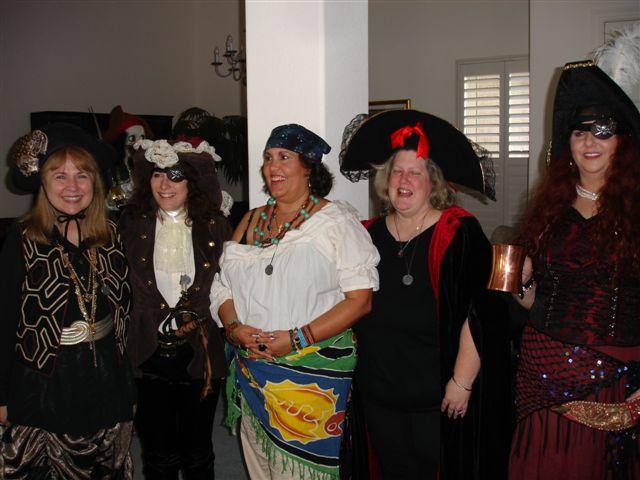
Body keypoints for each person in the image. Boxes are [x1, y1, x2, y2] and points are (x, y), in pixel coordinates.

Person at [339, 110, 512, 479]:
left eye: (415, 172)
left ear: (433, 183)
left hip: (438, 398)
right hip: (379, 393)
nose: (404, 179)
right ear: (385, 180)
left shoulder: (458, 233)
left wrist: (462, 382)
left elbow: (483, 313)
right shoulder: (365, 235)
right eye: (397, 171)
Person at [211, 124, 379, 480]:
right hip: (254, 371)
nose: (273, 167)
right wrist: (234, 328)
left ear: (308, 168)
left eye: (284, 157)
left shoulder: (335, 222)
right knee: (260, 465)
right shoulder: (252, 219)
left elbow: (360, 300)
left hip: (309, 378)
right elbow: (223, 287)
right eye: (268, 158)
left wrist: (297, 338)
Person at [509, 31, 640, 479]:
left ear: (623, 140)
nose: (589, 141)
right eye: (580, 130)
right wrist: (523, 280)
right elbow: (532, 300)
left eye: (604, 130)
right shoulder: (548, 211)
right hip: (540, 379)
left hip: (612, 381)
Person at [0, 123, 135, 479]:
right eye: (59, 176)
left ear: (95, 182)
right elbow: (4, 319)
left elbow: (125, 310)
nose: (72, 187)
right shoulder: (23, 239)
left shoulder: (112, 234)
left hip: (106, 379)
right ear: (42, 183)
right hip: (44, 384)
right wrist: (1, 395)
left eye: (82, 175)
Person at [118, 138, 231, 479]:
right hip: (146, 350)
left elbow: (230, 284)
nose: (165, 184)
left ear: (191, 183)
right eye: (157, 174)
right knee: (158, 451)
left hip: (200, 351)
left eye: (176, 175)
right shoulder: (130, 223)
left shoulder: (215, 224)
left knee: (198, 451)